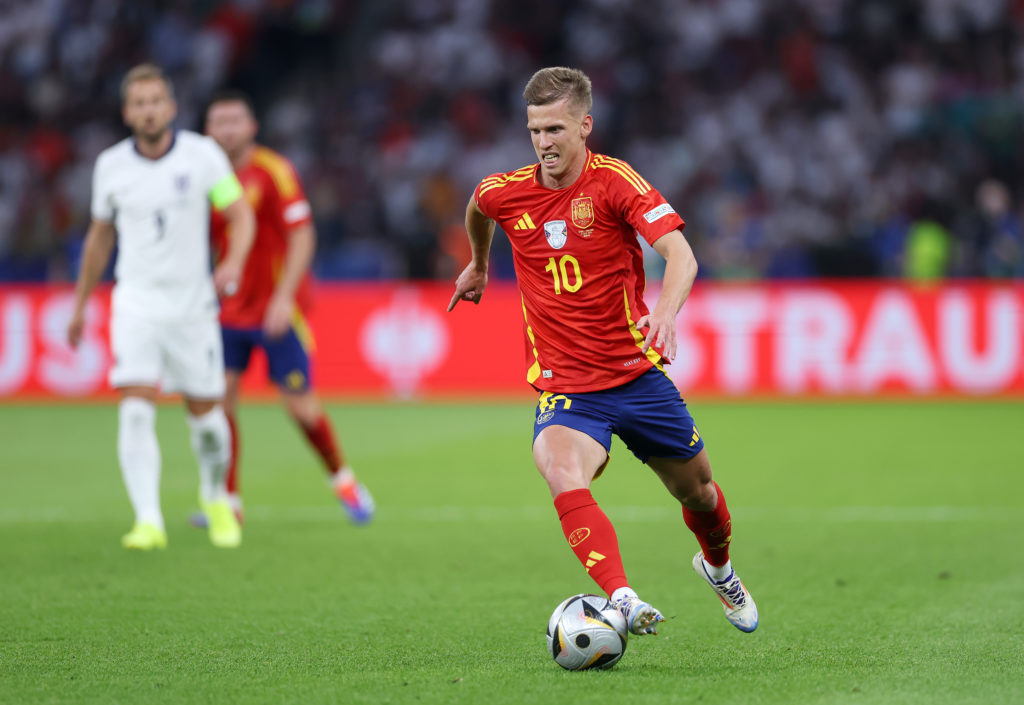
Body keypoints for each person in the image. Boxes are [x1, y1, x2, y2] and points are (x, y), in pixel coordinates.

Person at [448, 67, 758, 636]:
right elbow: (478, 204)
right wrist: (480, 262)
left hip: (636, 376)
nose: (544, 142)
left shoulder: (616, 182)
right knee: (561, 469)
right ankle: (621, 597)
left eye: (556, 129)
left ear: (585, 126)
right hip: (566, 385)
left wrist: (664, 313)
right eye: (535, 130)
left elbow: (682, 256)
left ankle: (719, 569)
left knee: (701, 494)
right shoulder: (507, 191)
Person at [67, 64, 256, 550]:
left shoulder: (202, 156)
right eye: (139, 103)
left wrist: (232, 262)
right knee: (134, 411)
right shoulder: (110, 166)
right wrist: (81, 303)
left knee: (209, 422)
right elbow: (98, 239)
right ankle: (148, 520)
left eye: (156, 101)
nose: (149, 111)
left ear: (170, 108)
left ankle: (215, 496)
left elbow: (240, 215)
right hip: (135, 302)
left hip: (192, 307)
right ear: (128, 113)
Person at [200, 90, 374, 525]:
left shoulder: (273, 172)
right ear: (208, 130)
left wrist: (283, 298)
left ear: (251, 127)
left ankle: (344, 480)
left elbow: (302, 235)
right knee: (220, 404)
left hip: (276, 310)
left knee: (300, 408)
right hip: (226, 312)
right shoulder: (201, 177)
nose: (227, 129)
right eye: (219, 121)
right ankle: (229, 503)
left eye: (235, 120)